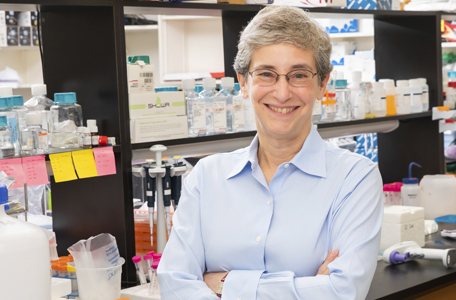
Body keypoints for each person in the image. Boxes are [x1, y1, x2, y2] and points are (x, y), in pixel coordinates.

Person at [158, 5, 383, 299]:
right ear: (243, 82)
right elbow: (174, 285)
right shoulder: (206, 178)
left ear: (322, 84)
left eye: (299, 75)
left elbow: (341, 291)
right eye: (266, 74)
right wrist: (308, 287)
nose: (282, 92)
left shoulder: (355, 179)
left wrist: (224, 285)